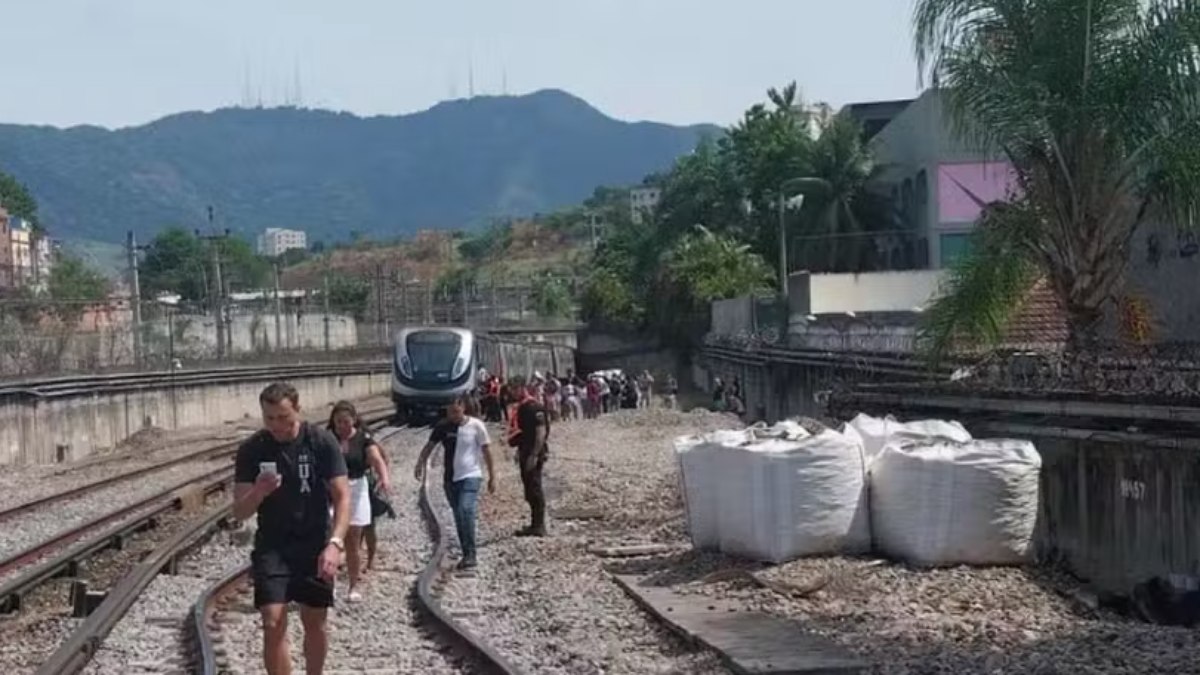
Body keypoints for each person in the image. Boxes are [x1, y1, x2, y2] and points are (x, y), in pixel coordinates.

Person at [233, 383, 349, 675]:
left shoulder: (321, 442)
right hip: (273, 546)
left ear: (297, 409)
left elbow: (342, 495)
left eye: (283, 417)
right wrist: (258, 492)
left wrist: (335, 543)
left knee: (314, 620)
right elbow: (239, 511)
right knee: (272, 622)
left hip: (315, 543)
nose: (277, 425)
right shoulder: (252, 449)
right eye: (269, 418)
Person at [415, 396, 496, 569]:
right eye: (450, 411)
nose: (453, 415)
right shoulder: (443, 426)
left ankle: (471, 554)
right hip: (450, 479)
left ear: (464, 408)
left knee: (465, 509)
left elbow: (487, 451)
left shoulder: (476, 426)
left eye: (456, 411)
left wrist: (492, 476)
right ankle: (467, 552)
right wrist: (420, 464)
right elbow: (429, 446)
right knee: (459, 516)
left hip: (471, 476)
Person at [327, 401, 391, 601]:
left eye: (345, 422)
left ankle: (353, 586)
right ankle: (330, 584)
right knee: (331, 539)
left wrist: (384, 478)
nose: (342, 427)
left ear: (353, 420)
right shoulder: (328, 438)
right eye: (338, 423)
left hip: (356, 488)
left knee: (353, 541)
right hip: (332, 490)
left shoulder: (363, 438)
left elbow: (376, 458)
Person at [509, 382, 550, 537]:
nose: (512, 393)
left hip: (534, 452)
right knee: (529, 488)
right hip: (526, 450)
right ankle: (535, 524)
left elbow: (540, 432)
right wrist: (520, 451)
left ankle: (539, 525)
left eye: (514, 389)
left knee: (534, 487)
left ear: (521, 388)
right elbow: (524, 432)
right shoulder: (523, 407)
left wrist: (534, 454)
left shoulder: (533, 407)